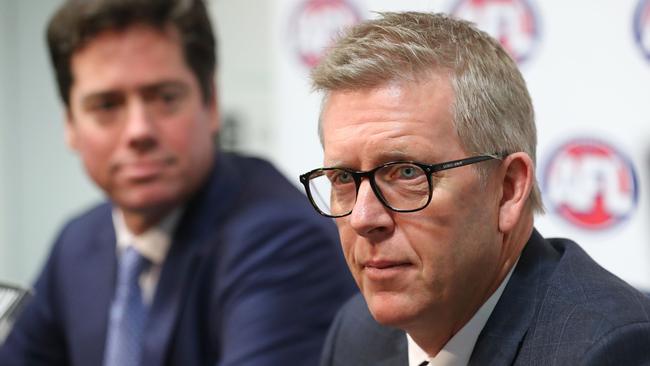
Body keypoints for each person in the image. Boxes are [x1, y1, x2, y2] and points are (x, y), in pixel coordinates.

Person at [0, 0, 356, 365]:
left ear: (211, 102)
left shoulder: (283, 241)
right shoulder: (78, 244)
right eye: (106, 105)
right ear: (70, 125)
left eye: (165, 98)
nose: (139, 130)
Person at [299, 11, 650, 366]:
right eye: (343, 178)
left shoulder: (605, 349)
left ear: (508, 189)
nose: (362, 218)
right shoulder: (357, 331)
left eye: (406, 173)